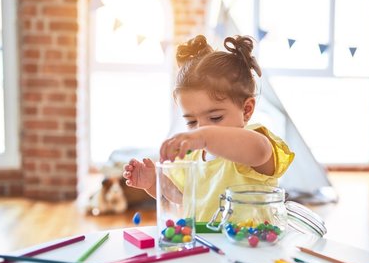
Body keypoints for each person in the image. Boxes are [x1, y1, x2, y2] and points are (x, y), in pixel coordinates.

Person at [123, 34, 294, 222]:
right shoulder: (193, 158)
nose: (201, 128)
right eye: (191, 122)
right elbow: (184, 199)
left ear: (246, 110)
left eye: (215, 117)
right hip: (206, 248)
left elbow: (260, 150)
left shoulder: (253, 144)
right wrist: (155, 182)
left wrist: (204, 136)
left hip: (251, 248)